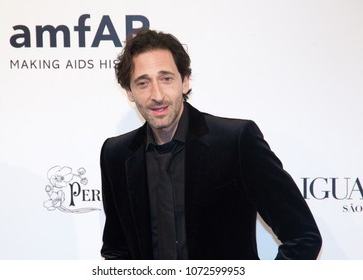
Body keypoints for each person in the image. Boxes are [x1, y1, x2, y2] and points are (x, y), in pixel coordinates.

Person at [100, 29, 322, 260]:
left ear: (185, 81)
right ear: (129, 92)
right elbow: (116, 250)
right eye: (143, 83)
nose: (157, 95)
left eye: (166, 78)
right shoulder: (115, 155)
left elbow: (303, 236)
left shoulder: (236, 141)